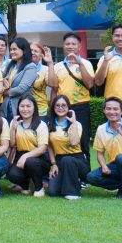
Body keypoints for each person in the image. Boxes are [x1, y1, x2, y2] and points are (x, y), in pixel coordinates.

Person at [47, 32, 95, 167]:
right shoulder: (58, 66)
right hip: (62, 109)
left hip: (81, 107)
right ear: (63, 46)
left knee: (83, 141)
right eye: (67, 44)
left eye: (73, 44)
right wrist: (52, 108)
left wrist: (80, 64)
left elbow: (90, 84)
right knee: (60, 139)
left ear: (79, 46)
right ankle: (61, 168)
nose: (70, 46)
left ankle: (85, 173)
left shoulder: (86, 63)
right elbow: (53, 87)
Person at [45, 95, 89, 200]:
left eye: (64, 105)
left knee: (67, 160)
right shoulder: (50, 124)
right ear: (53, 108)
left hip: (77, 159)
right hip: (59, 160)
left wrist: (73, 123)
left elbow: (74, 142)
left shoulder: (77, 124)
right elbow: (49, 146)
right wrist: (54, 164)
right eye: (57, 105)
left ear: (68, 107)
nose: (60, 108)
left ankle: (73, 193)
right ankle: (73, 183)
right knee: (52, 191)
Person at [6, 97, 50, 197]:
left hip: (38, 158)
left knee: (31, 162)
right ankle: (25, 186)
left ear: (34, 108)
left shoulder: (41, 124)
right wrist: (13, 129)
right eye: (22, 106)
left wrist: (25, 156)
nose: (25, 109)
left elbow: (42, 149)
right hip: (19, 156)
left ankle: (39, 188)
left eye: (28, 106)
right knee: (11, 174)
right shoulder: (15, 122)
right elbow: (12, 145)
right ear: (18, 108)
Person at [0, 37, 36, 121]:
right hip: (6, 107)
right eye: (11, 49)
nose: (12, 52)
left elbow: (21, 89)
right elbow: (2, 79)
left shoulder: (30, 67)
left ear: (24, 50)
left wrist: (5, 92)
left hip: (21, 108)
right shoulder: (11, 65)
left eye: (14, 49)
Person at [29, 42, 50, 117]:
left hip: (40, 110)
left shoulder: (45, 69)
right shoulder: (20, 67)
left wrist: (50, 63)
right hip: (23, 109)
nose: (32, 53)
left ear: (41, 56)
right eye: (31, 50)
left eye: (36, 51)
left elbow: (51, 84)